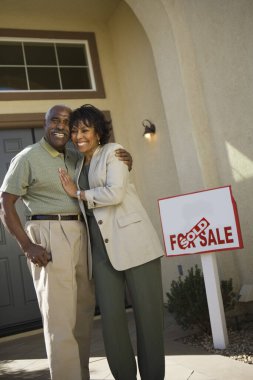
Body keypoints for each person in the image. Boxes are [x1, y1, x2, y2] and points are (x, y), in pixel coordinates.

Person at [0, 104, 132, 380]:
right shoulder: (28, 157)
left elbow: (104, 165)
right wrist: (27, 246)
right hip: (48, 233)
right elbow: (6, 203)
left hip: (81, 232)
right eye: (55, 120)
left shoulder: (75, 155)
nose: (61, 126)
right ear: (45, 122)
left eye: (66, 122)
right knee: (59, 320)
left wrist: (125, 158)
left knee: (82, 317)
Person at [58, 104, 165, 380]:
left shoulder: (114, 152)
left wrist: (78, 193)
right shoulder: (77, 159)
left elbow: (116, 193)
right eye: (74, 131)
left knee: (148, 318)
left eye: (85, 130)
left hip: (136, 245)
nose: (78, 136)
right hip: (101, 252)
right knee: (111, 322)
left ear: (98, 132)